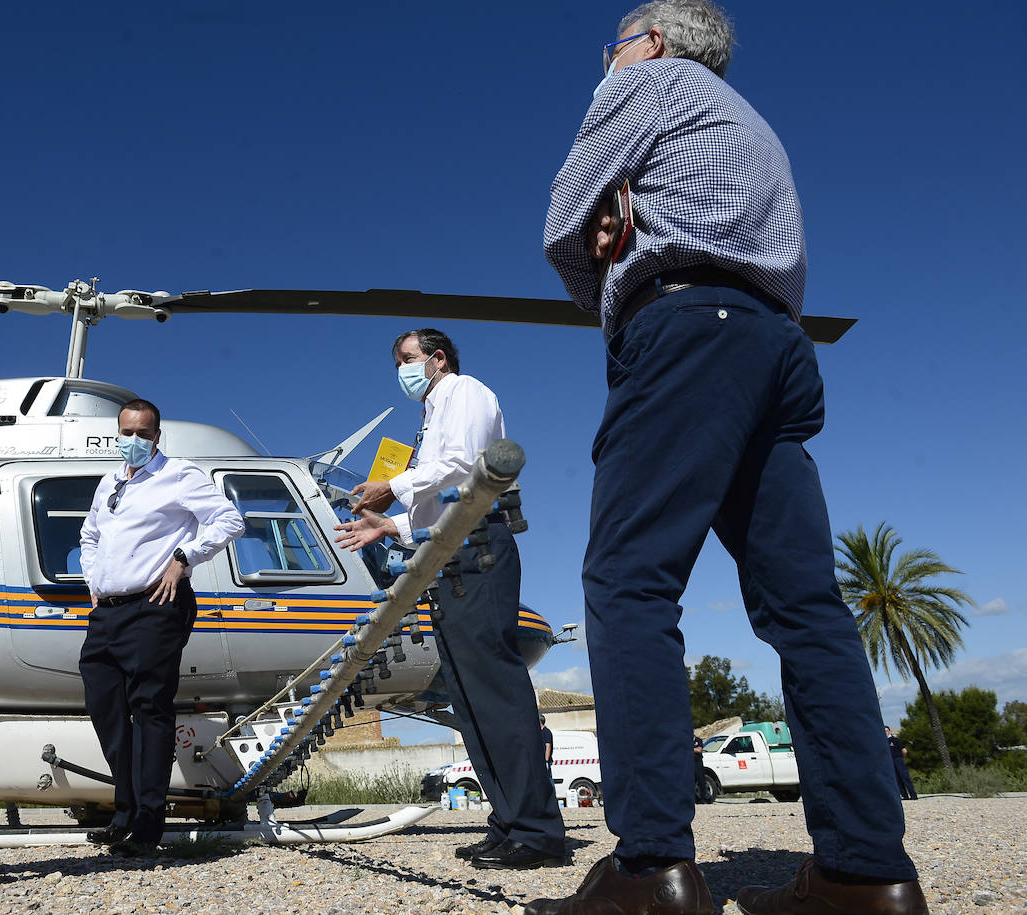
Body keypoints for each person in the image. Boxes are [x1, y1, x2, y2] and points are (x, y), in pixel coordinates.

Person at [532, 2, 929, 913]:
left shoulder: (648, 84)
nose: (608, 59)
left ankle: (651, 869)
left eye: (615, 44)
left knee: (628, 581)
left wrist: (597, 262)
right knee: (807, 609)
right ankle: (867, 870)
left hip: (685, 332)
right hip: (777, 345)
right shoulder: (753, 125)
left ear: (655, 43)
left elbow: (562, 225)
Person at [334, 329, 566, 870]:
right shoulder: (433, 414)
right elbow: (441, 501)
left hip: (479, 550)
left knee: (496, 691)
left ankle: (537, 831)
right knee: (468, 699)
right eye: (398, 362)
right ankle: (509, 822)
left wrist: (394, 486)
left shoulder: (465, 394)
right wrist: (389, 527)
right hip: (453, 553)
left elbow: (462, 466)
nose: (403, 370)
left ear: (438, 359)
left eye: (409, 359)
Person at [78, 399, 244, 853]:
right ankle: (125, 810)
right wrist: (94, 580)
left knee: (149, 708)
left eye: (143, 434)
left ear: (157, 436)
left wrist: (184, 558)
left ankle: (148, 823)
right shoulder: (109, 482)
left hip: (156, 604)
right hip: (108, 611)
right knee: (105, 707)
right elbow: (89, 534)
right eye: (126, 432)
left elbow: (230, 520)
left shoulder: (180, 475)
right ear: (117, 432)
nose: (133, 441)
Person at [887, 726, 918, 801]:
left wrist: (901, 758)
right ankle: (904, 795)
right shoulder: (883, 742)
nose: (885, 733)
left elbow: (904, 751)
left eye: (886, 731)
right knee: (897, 779)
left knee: (905, 777)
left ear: (890, 731)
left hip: (898, 759)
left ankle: (913, 795)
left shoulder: (896, 740)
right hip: (890, 761)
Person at [693, 734, 707, 803]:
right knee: (691, 782)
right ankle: (694, 799)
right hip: (690, 763)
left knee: (701, 780)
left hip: (698, 763)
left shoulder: (698, 740)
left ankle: (703, 798)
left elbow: (699, 750)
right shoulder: (686, 741)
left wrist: (690, 749)